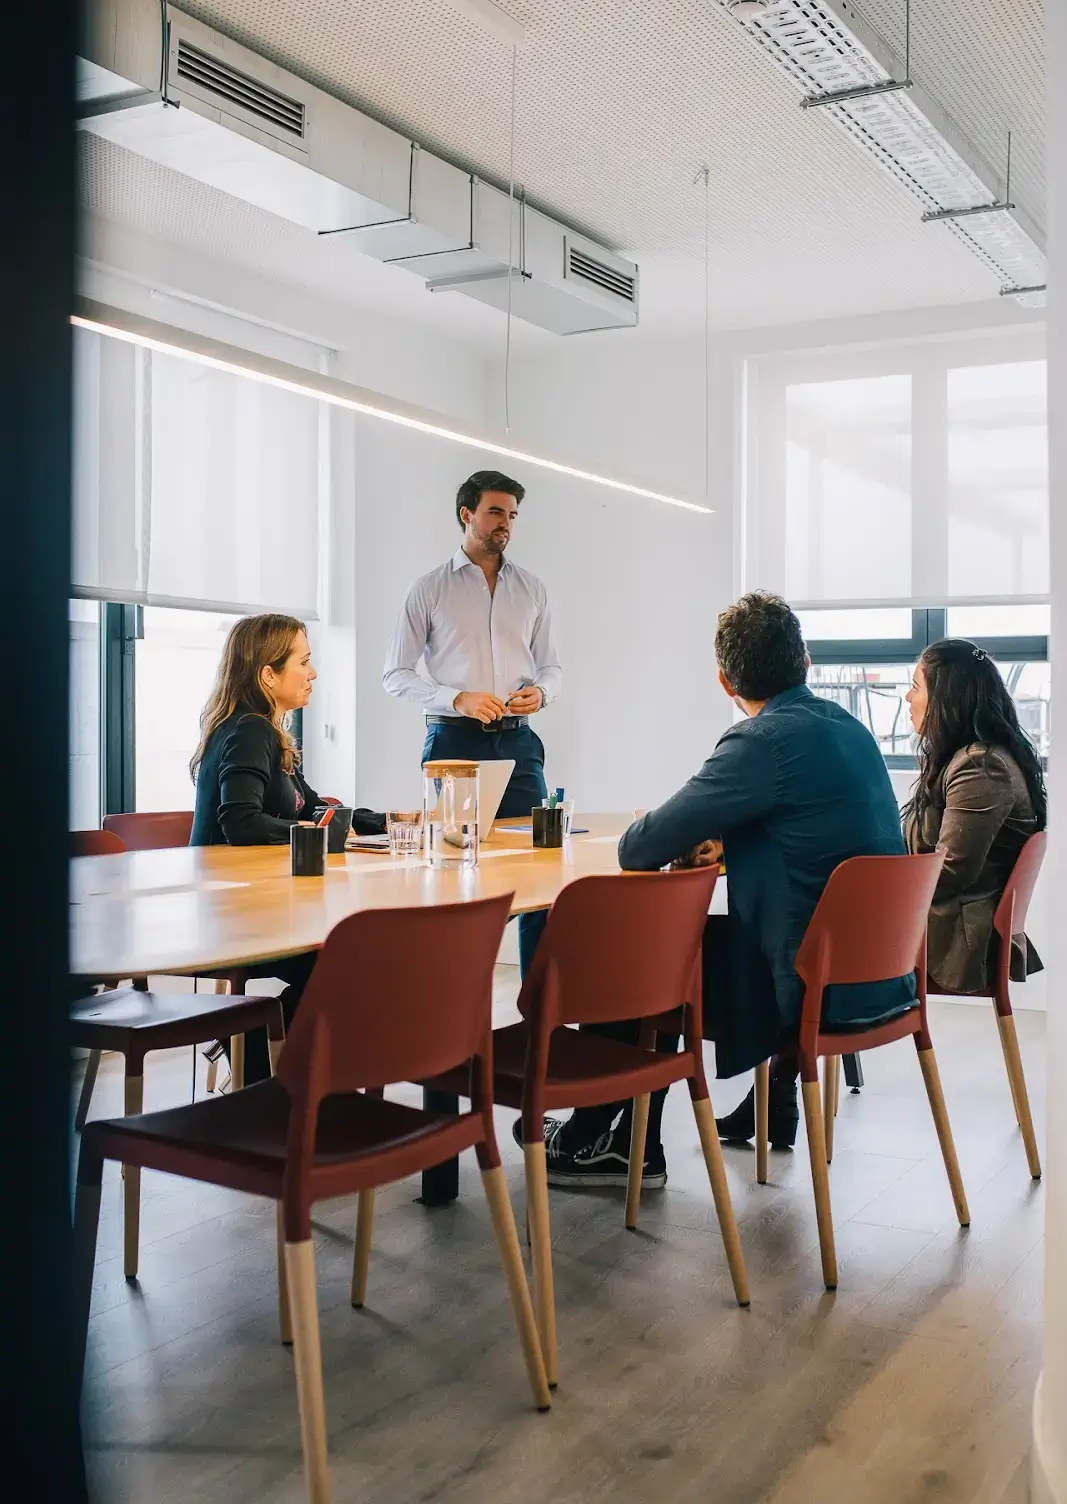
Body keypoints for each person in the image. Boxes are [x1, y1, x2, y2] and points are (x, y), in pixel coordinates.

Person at [525, 592, 914, 1190]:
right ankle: (622, 1141)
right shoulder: (849, 729)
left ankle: (601, 1139)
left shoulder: (758, 743)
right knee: (668, 946)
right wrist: (730, 847)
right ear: (804, 661)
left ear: (724, 679)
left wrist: (702, 838)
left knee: (643, 952)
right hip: (879, 976)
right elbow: (810, 832)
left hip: (802, 982)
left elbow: (639, 847)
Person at [191, 613, 384, 1082]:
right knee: (357, 958)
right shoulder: (249, 731)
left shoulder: (272, 736)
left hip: (267, 909)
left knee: (363, 956)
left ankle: (269, 1069)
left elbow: (317, 807)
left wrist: (394, 822)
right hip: (238, 919)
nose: (314, 673)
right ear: (268, 674)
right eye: (305, 661)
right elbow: (240, 822)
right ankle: (260, 1068)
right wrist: (318, 833)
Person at [383, 469, 562, 967]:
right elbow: (394, 674)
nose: (506, 523)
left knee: (539, 865)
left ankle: (536, 1007)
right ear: (467, 514)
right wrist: (454, 697)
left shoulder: (532, 589)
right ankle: (456, 1009)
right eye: (496, 512)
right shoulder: (429, 589)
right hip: (453, 743)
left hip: (519, 744)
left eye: (512, 514)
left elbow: (551, 666)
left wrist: (542, 693)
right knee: (458, 869)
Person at [903, 639, 1046, 992]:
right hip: (942, 925)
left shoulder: (981, 766)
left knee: (814, 939)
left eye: (916, 687)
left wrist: (879, 894)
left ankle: (818, 1040)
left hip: (955, 939)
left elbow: (951, 872)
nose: (908, 698)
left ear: (947, 700)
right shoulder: (969, 759)